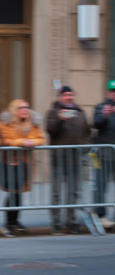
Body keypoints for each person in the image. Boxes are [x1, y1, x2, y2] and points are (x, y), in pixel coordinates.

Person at [45, 85, 91, 234]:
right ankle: (56, 223)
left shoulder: (80, 112)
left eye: (71, 94)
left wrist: (85, 147)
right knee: (56, 193)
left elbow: (87, 132)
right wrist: (59, 118)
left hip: (75, 158)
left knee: (73, 192)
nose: (69, 97)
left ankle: (71, 221)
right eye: (66, 95)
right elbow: (50, 129)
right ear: (61, 96)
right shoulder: (53, 112)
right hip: (58, 158)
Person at [0, 99, 46, 236]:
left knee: (18, 193)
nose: (25, 110)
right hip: (10, 162)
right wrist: (21, 142)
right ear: (14, 110)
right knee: (12, 193)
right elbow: (4, 140)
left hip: (25, 163)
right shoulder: (6, 123)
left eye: (26, 107)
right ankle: (8, 223)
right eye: (21, 107)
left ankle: (15, 221)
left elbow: (41, 138)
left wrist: (31, 142)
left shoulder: (32, 122)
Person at [92, 80, 115, 228]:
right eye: (112, 91)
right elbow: (95, 124)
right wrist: (105, 115)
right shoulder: (101, 107)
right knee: (101, 185)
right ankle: (100, 215)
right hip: (103, 154)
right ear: (108, 92)